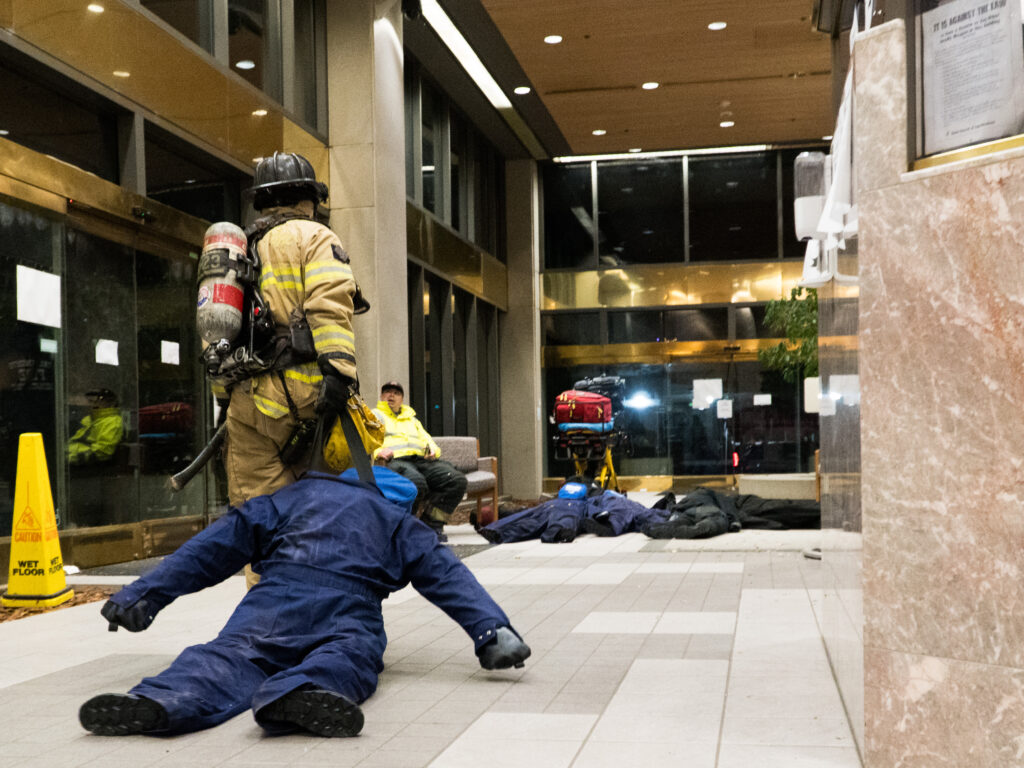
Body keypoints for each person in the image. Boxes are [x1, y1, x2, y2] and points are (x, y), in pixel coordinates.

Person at [78, 467, 530, 737]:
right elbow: (448, 578)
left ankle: (163, 698)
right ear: (404, 503)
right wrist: (491, 630)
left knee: (230, 653)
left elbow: (213, 547)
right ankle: (303, 691)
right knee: (347, 656)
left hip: (272, 601)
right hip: (349, 611)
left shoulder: (292, 497)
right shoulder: (400, 523)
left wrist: (144, 594)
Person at [219, 152, 362, 587]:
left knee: (257, 520)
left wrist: (222, 401)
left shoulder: (234, 249)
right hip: (310, 402)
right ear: (309, 197)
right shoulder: (314, 236)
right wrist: (338, 373)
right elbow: (330, 304)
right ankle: (325, 615)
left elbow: (216, 336)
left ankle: (266, 624)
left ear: (261, 201)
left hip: (245, 408)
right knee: (326, 516)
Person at [372, 381, 467, 541]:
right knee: (416, 483)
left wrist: (433, 451)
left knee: (456, 480)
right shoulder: (375, 415)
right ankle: (404, 529)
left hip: (421, 461)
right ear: (381, 396)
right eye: (387, 392)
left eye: (396, 393)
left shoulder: (413, 420)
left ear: (402, 398)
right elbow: (366, 439)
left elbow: (429, 441)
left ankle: (431, 525)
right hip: (395, 461)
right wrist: (378, 452)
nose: (391, 395)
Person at [67, 389, 123, 465]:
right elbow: (76, 439)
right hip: (71, 453)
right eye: (92, 400)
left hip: (90, 463)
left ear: (111, 403)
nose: (95, 403)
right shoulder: (89, 418)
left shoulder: (113, 422)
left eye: (100, 399)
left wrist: (72, 457)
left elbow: (103, 451)